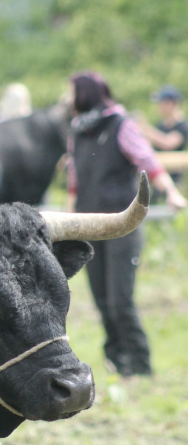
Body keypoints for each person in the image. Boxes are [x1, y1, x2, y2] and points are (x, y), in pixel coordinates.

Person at [65, 71, 186, 377]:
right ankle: (118, 362)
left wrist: (171, 193)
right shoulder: (78, 131)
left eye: (72, 92)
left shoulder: (121, 125)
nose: (68, 99)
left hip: (122, 226)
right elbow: (75, 181)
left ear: (85, 94)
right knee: (102, 300)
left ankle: (140, 366)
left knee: (121, 301)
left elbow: (148, 161)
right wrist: (66, 222)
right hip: (90, 228)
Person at [137, 85, 187, 185]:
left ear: (171, 103)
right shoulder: (160, 125)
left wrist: (145, 128)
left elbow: (168, 143)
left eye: (161, 102)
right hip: (158, 178)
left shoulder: (183, 126)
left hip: (174, 180)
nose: (158, 106)